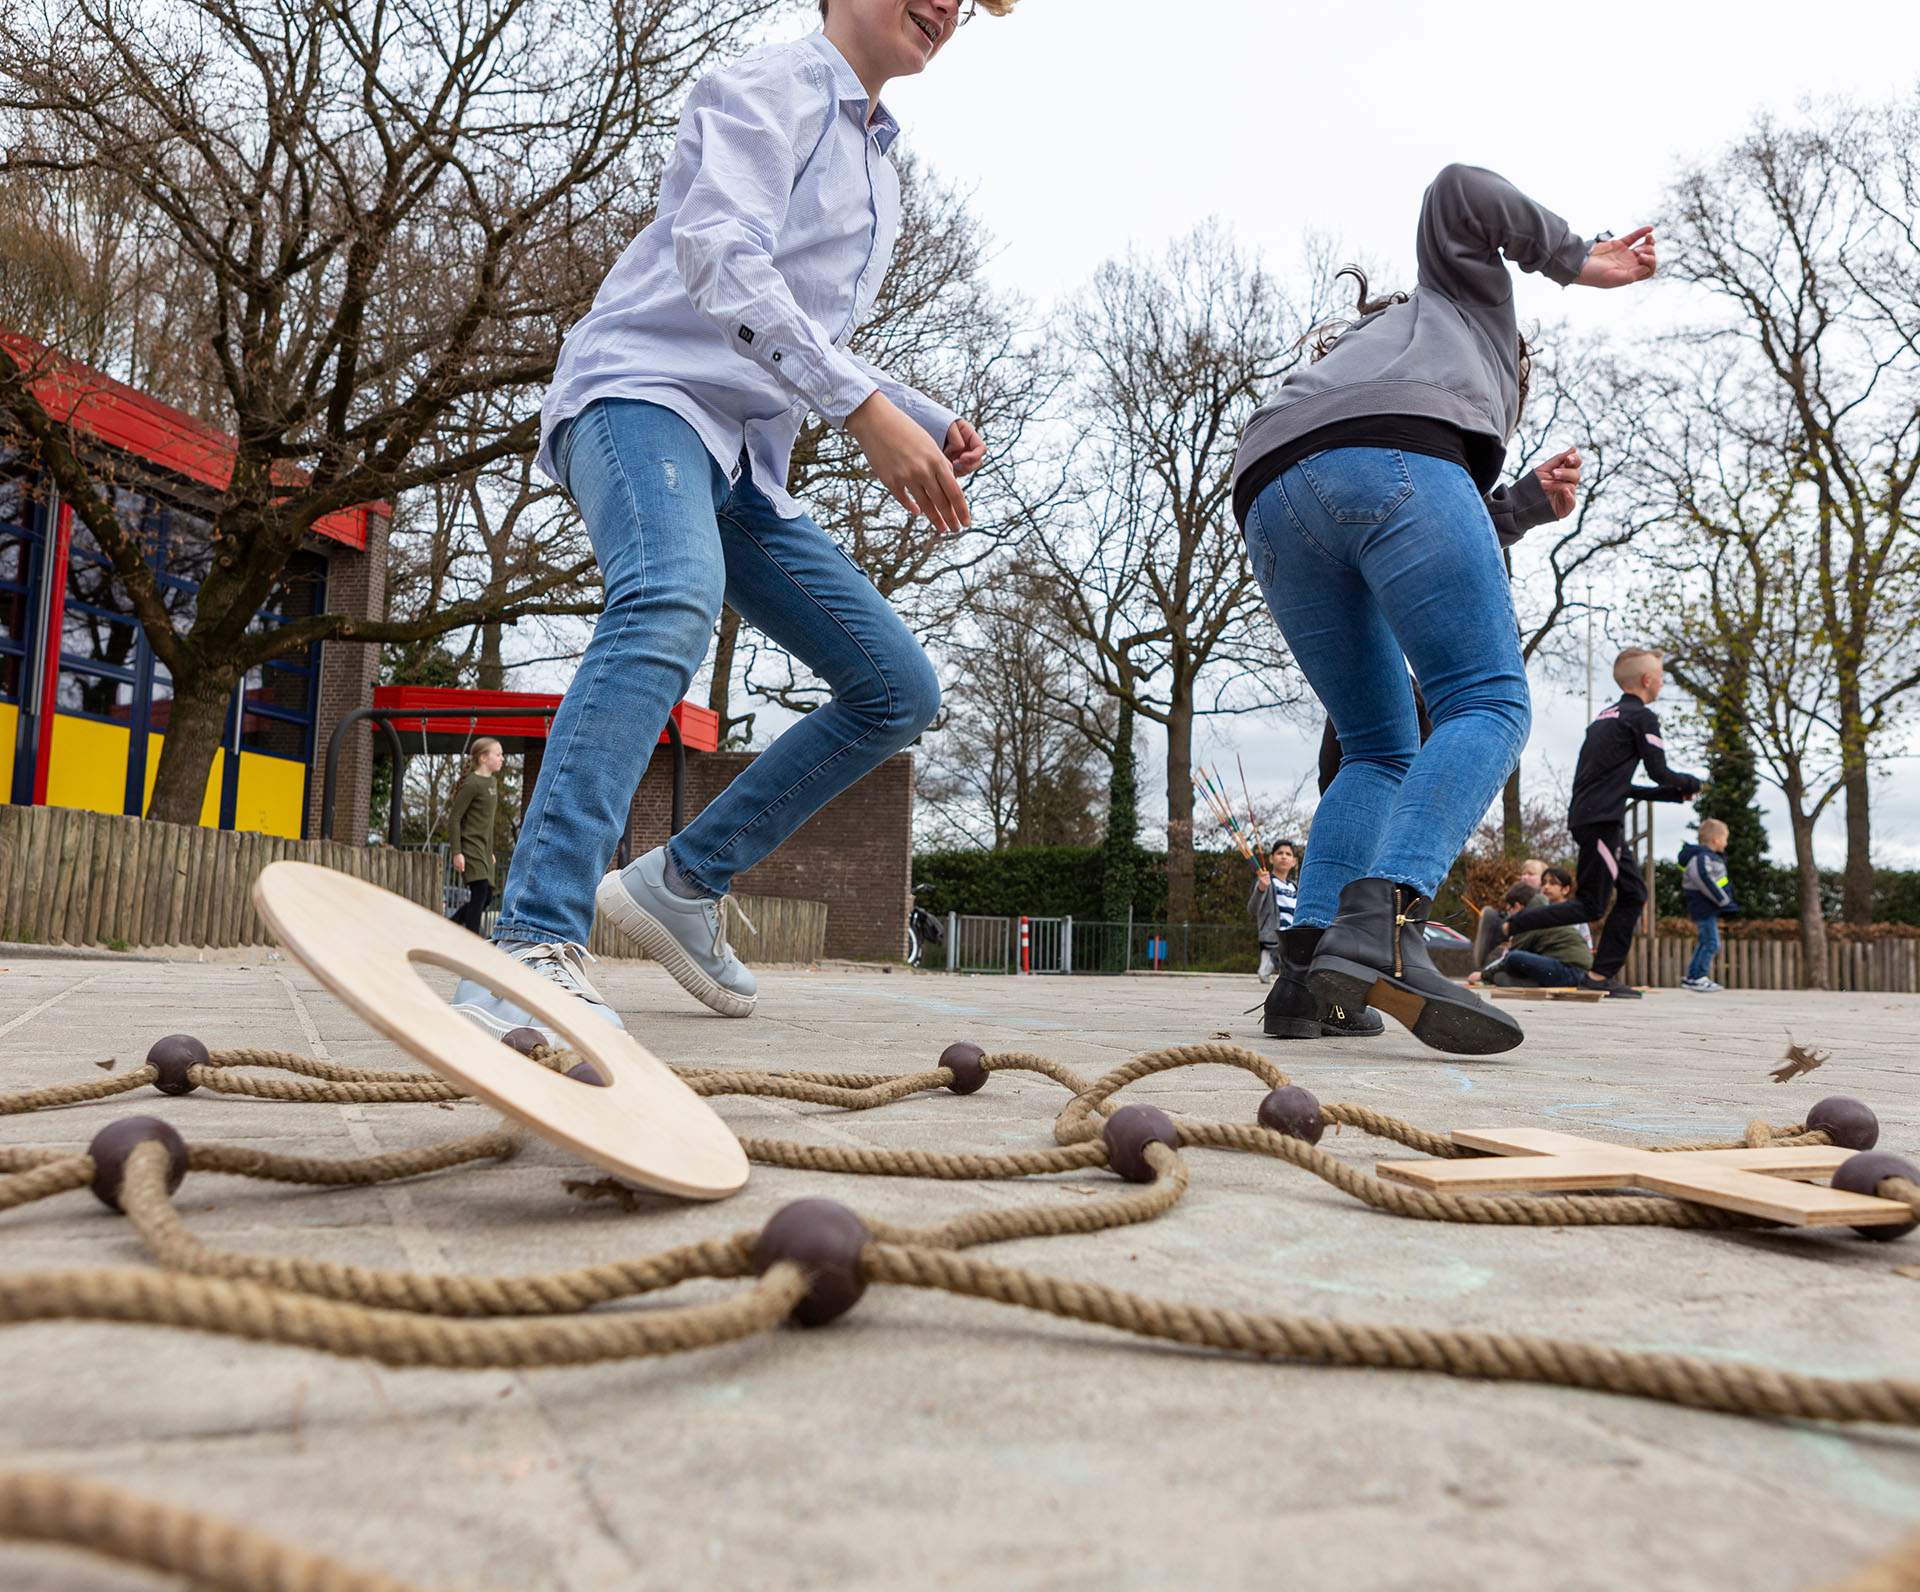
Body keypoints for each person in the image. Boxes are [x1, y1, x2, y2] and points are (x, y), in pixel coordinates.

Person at [451, 0, 1009, 1040]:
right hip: (644, 397)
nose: (946, 6)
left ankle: (682, 880)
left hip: (742, 458)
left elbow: (794, 320)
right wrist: (862, 409)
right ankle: (527, 945)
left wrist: (916, 412)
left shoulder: (879, 166)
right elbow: (719, 257)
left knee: (897, 687)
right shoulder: (773, 86)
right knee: (670, 597)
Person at [1232, 163, 1658, 1055]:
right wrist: (1583, 261)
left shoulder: (1368, 354)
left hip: (1270, 493)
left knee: (1379, 742)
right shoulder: (1463, 301)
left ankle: (1310, 978)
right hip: (1393, 463)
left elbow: (1390, 512)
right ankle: (1386, 924)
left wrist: (1524, 508)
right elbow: (1460, 190)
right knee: (1488, 701)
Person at [1492, 649, 1703, 999]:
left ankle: (1601, 975)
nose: (1664, 681)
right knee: (1591, 904)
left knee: (1634, 893)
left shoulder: (1604, 719)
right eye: (1661, 675)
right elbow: (1660, 773)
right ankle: (1508, 924)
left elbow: (1622, 785)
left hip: (1595, 816)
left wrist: (1672, 796)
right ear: (1647, 680)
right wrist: (1690, 783)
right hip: (1601, 821)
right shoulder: (1642, 718)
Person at [1473, 880, 1595, 989]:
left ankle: (1534, 984)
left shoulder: (1530, 919)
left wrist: (1483, 975)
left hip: (1572, 973)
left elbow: (1511, 957)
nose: (1509, 916)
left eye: (1509, 910)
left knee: (1513, 958)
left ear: (1517, 906)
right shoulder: (1544, 911)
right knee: (1512, 965)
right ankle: (1530, 982)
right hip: (1576, 972)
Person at [447, 739, 506, 935]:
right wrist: (457, 852)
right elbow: (454, 819)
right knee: (480, 891)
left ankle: (452, 922)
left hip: (483, 850)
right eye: (497, 754)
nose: (502, 759)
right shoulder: (472, 783)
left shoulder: (492, 783)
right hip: (469, 847)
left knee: (488, 896)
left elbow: (487, 824)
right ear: (483, 758)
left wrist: (489, 851)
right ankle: (471, 940)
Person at [1678, 818, 1737, 992]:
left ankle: (1693, 977)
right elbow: (1704, 879)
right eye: (1725, 839)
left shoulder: (1709, 857)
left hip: (1708, 907)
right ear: (1717, 839)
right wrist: (1724, 901)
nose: (1726, 844)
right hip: (1704, 906)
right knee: (1711, 942)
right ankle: (1697, 977)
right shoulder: (1702, 857)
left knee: (1707, 941)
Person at [1248, 841, 1299, 980]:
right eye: (1279, 853)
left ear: (1294, 861)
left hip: (1292, 936)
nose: (1284, 857)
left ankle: (1275, 962)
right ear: (1271, 859)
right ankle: (1270, 959)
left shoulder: (1294, 887)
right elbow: (1252, 909)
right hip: (1273, 935)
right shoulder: (1266, 881)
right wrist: (1261, 889)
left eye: (1288, 854)